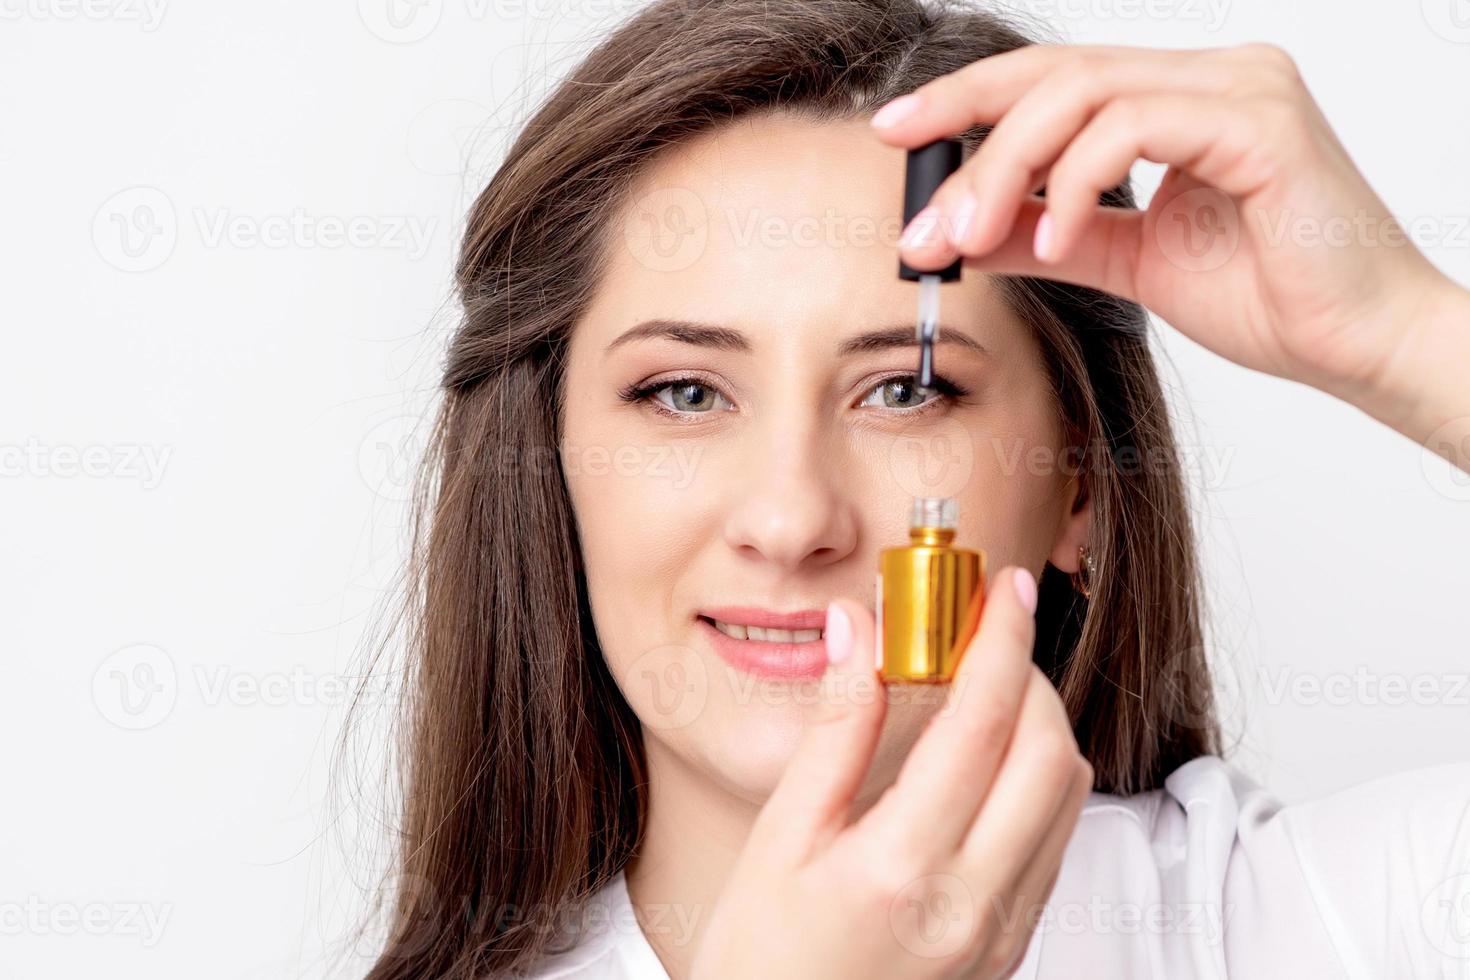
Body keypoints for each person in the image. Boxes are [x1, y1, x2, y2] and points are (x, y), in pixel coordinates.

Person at [357, 1, 1470, 977]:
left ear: (1079, 485)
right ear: (549, 468)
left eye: (905, 390)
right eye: (686, 394)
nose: (791, 521)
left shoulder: (1282, 928)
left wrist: (1407, 335)